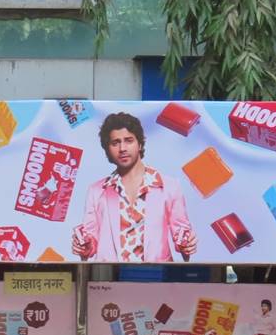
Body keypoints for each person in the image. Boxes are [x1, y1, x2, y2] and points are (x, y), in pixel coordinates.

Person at [71, 112, 197, 262]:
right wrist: (83, 246)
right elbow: (90, 240)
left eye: (129, 140)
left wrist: (187, 244)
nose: (122, 148)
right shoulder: (96, 191)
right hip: (110, 279)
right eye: (115, 143)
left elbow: (181, 233)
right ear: (108, 149)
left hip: (156, 278)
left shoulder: (169, 186)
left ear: (140, 144)